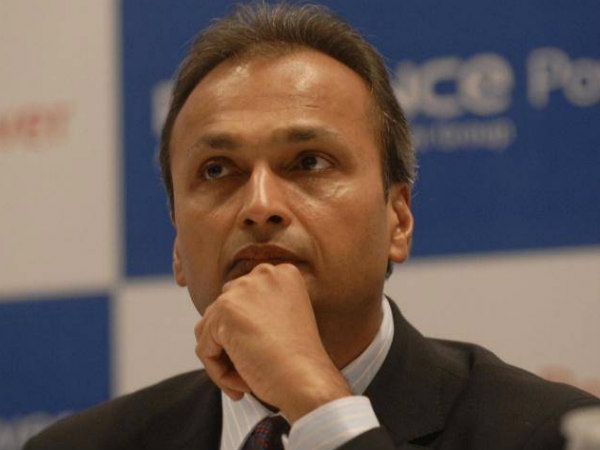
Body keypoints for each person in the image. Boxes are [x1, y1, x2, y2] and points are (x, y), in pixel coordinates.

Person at [25, 3, 599, 450]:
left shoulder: (547, 432)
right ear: (177, 247)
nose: (260, 206)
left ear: (398, 219)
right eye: (217, 170)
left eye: (308, 162)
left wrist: (320, 405)